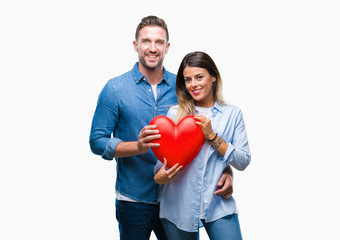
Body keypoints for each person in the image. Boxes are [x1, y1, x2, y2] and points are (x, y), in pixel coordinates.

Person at [89, 16, 234, 240]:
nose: (152, 48)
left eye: (159, 42)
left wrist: (226, 170)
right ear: (136, 45)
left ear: (167, 47)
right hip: (134, 198)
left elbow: (207, 133)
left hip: (178, 200)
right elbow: (97, 141)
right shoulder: (115, 89)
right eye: (146, 41)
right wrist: (137, 147)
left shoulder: (184, 87)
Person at [154, 51, 251, 240]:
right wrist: (159, 177)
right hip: (177, 206)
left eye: (199, 77)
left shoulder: (233, 114)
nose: (193, 85)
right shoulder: (174, 114)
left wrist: (212, 136)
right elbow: (161, 164)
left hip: (218, 204)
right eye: (188, 80)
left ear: (213, 76)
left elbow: (243, 161)